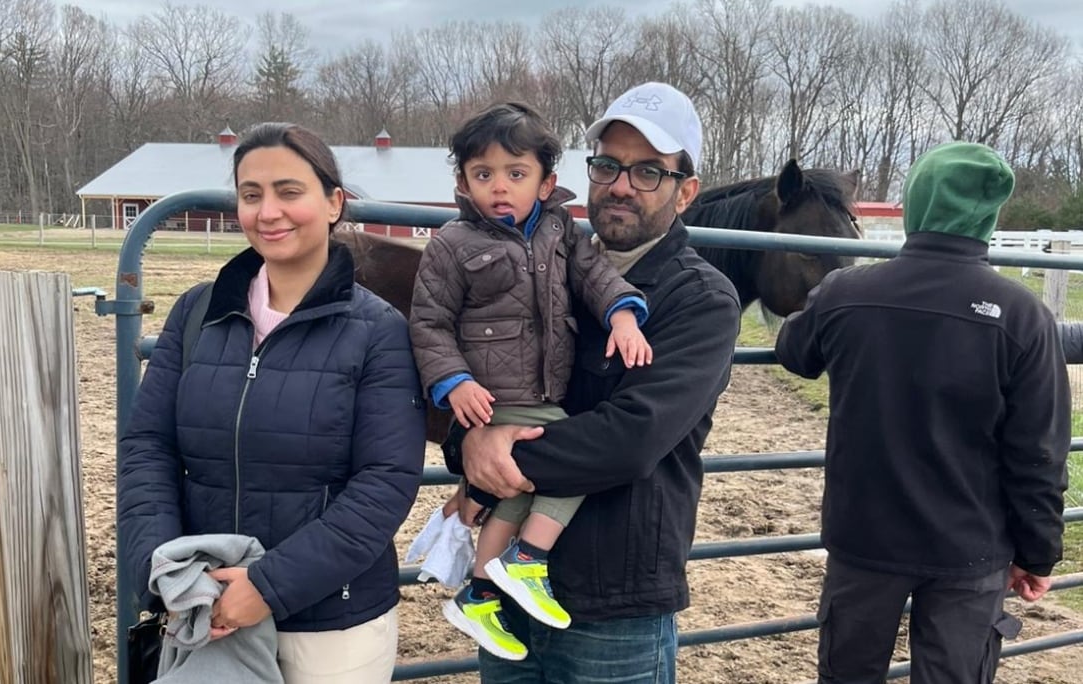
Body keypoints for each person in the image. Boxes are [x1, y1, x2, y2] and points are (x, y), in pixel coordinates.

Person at [442, 82, 741, 681]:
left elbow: (631, 437)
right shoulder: (542, 266)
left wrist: (490, 463)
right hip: (509, 591)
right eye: (608, 164)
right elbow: (482, 378)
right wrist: (467, 444)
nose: (621, 185)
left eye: (648, 172)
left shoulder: (700, 299)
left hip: (614, 596)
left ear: (686, 193)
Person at [117, 122, 426, 683]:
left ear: (333, 203)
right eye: (251, 194)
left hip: (330, 627)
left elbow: (384, 481)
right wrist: (165, 569)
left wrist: (268, 586)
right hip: (205, 611)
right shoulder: (196, 313)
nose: (268, 212)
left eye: (289, 191)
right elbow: (147, 447)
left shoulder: (378, 331)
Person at [775, 141, 1071, 683]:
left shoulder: (846, 292)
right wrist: (1038, 552)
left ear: (915, 203)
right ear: (988, 215)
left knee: (847, 672)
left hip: (863, 538)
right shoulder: (1021, 315)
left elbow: (794, 352)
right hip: (970, 547)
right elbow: (1040, 450)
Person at [410, 100, 654, 660]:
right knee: (578, 461)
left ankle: (481, 591)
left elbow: (594, 275)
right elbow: (428, 323)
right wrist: (455, 382)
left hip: (545, 387)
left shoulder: (560, 230)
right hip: (496, 397)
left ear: (546, 184)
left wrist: (621, 312)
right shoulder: (451, 244)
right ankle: (527, 559)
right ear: (463, 182)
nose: (500, 187)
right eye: (483, 174)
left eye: (516, 174)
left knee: (514, 494)